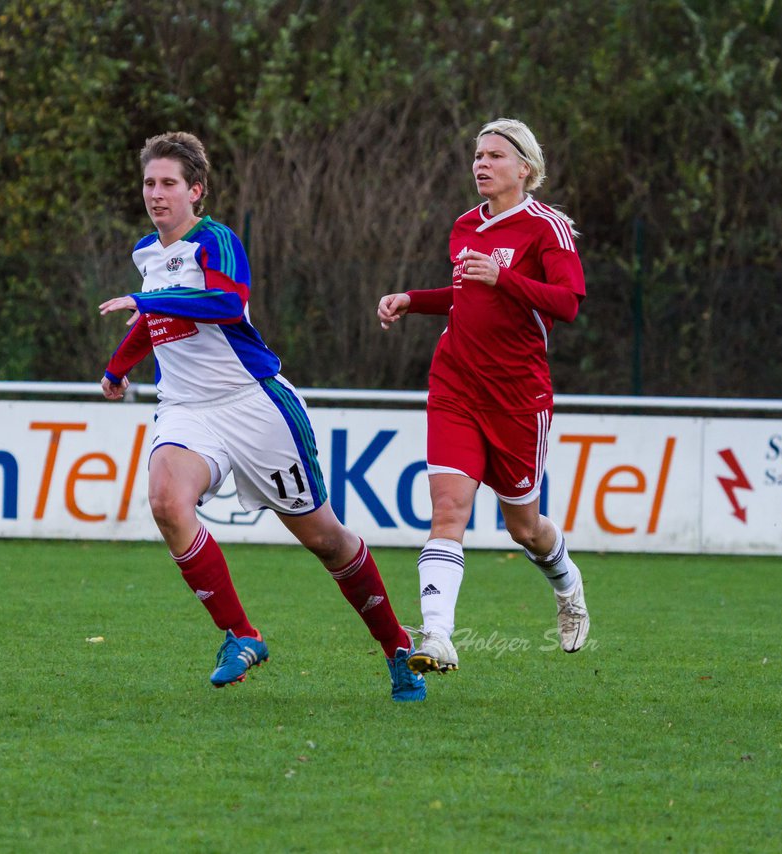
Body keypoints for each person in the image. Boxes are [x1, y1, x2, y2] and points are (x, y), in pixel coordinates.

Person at [100, 131, 425, 701]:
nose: (157, 194)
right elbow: (154, 323)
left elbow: (225, 303)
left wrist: (146, 302)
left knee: (325, 539)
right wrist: (117, 368)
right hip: (185, 409)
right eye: (150, 183)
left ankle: (397, 647)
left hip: (253, 405)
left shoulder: (217, 240)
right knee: (164, 502)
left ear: (195, 190)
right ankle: (241, 634)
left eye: (169, 183)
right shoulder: (146, 254)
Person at [376, 117, 591, 678]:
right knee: (448, 512)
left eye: (495, 156)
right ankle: (437, 636)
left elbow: (568, 303)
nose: (481, 164)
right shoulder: (464, 226)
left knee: (525, 528)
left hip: (518, 399)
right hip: (456, 387)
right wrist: (412, 299)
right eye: (477, 156)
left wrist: (504, 277)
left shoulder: (547, 229)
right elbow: (465, 296)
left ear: (525, 168)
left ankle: (567, 583)